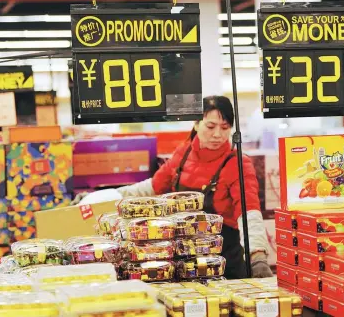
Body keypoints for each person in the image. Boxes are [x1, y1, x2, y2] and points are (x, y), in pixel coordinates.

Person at [73, 95, 272, 279]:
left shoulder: (237, 163)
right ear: (196, 123)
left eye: (225, 127)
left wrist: (258, 256)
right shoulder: (184, 153)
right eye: (211, 126)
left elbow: (248, 212)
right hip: (182, 259)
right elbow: (152, 187)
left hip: (223, 261)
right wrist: (104, 196)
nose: (218, 134)